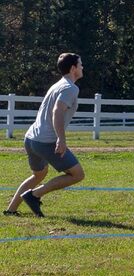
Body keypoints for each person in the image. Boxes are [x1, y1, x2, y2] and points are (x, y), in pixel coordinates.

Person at [4, 53, 86, 218]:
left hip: (31, 138)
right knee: (77, 175)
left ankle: (11, 210)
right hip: (45, 141)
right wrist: (61, 139)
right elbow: (58, 111)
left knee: (39, 174)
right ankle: (34, 195)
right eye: (80, 64)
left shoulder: (58, 85)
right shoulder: (71, 88)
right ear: (73, 68)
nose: (83, 67)